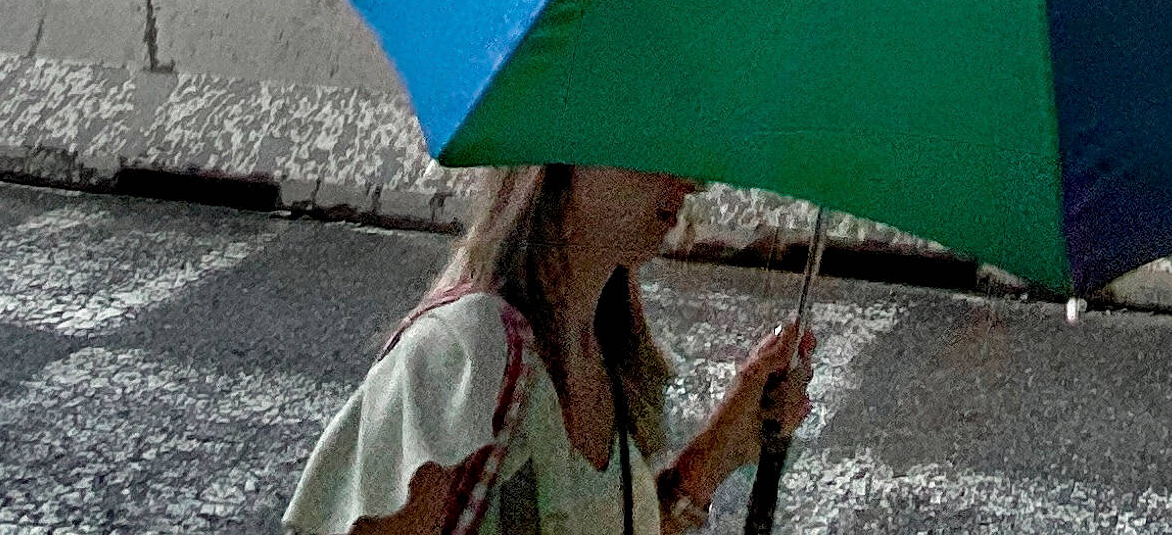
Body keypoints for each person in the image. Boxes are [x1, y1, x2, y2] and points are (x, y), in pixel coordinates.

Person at [286, 166, 813, 535]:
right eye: (650, 142)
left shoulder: (609, 358)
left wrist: (719, 450)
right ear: (562, 145)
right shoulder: (466, 352)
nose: (693, 182)